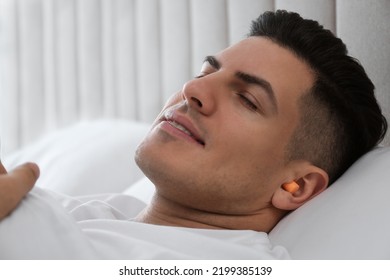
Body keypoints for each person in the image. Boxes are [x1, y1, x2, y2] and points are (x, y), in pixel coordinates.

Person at [0, 10, 387, 259]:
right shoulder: (98, 213)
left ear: (297, 185)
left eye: (248, 100)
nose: (193, 89)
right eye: (205, 72)